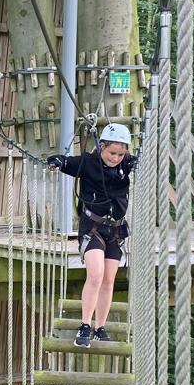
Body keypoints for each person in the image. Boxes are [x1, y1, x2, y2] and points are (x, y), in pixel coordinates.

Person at [46, 123, 137, 348]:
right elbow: (66, 162)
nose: (116, 158)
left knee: (108, 280)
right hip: (92, 228)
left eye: (120, 154)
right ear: (101, 147)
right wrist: (55, 161)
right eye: (112, 153)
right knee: (96, 275)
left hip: (115, 230)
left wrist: (135, 162)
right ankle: (85, 326)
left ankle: (100, 328)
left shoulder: (127, 163)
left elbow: (138, 161)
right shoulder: (88, 163)